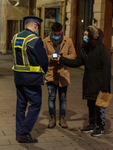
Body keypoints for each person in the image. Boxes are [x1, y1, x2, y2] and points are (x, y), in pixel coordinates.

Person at [56, 26, 111, 137]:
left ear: (93, 36)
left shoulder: (102, 49)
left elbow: (107, 69)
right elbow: (76, 62)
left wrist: (105, 87)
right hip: (89, 81)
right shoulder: (86, 50)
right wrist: (61, 59)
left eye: (87, 35)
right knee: (90, 104)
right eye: (84, 35)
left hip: (99, 82)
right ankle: (92, 124)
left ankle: (101, 127)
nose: (85, 37)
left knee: (100, 105)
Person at [12, 15, 48, 143]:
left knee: (21, 105)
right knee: (36, 104)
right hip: (32, 79)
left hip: (18, 77)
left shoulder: (16, 37)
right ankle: (23, 132)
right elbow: (43, 60)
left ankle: (19, 132)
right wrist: (45, 72)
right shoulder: (34, 40)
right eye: (38, 26)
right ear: (35, 25)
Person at [43, 22, 76, 128]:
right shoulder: (45, 42)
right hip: (51, 73)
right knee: (51, 97)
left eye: (59, 34)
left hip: (63, 74)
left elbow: (73, 55)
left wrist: (62, 58)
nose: (57, 36)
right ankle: (52, 118)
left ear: (62, 32)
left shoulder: (68, 41)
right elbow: (42, 57)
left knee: (63, 97)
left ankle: (62, 118)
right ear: (51, 32)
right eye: (55, 34)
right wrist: (52, 58)